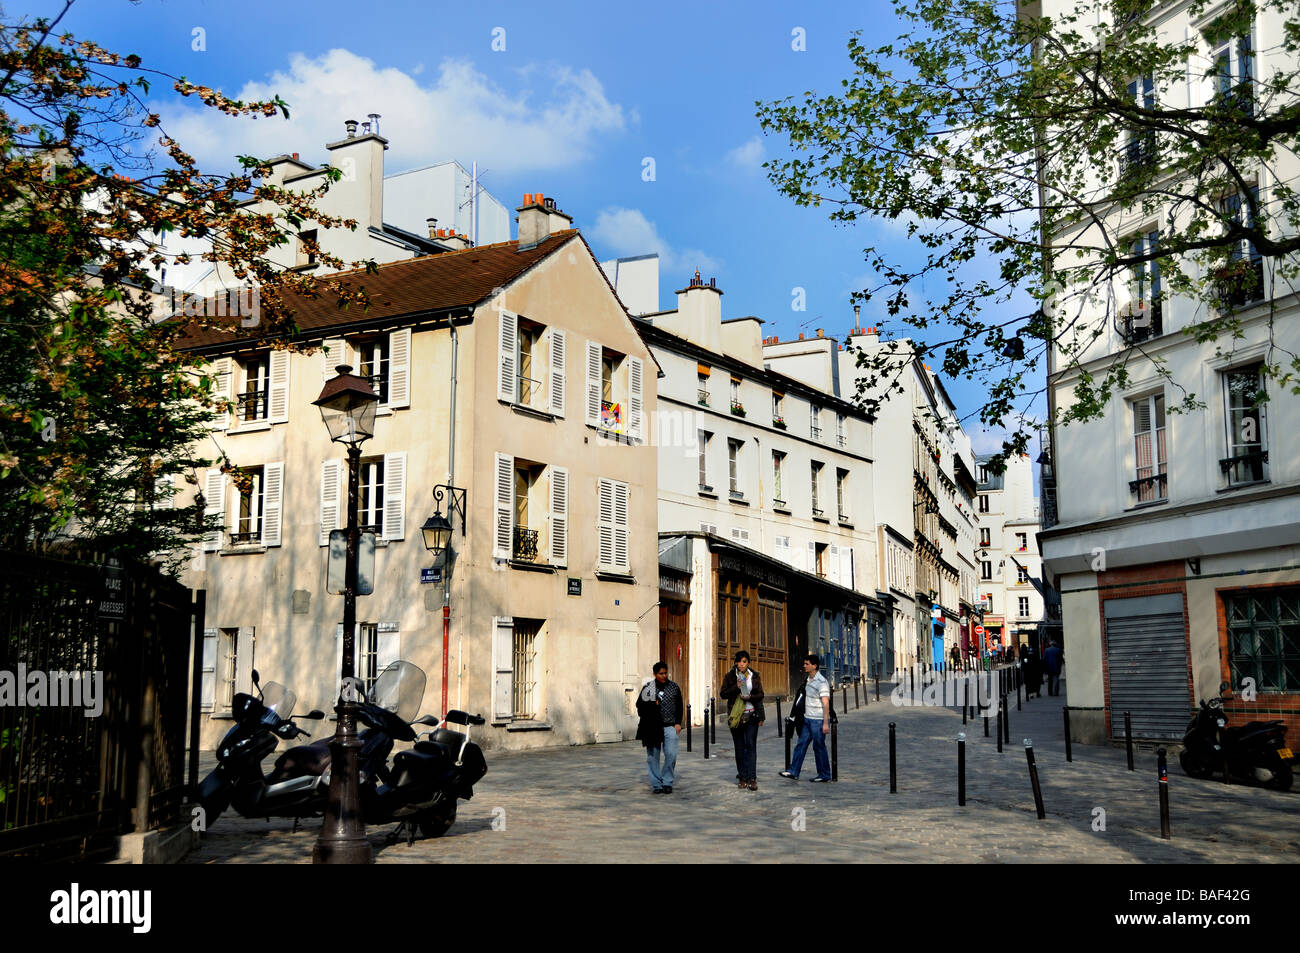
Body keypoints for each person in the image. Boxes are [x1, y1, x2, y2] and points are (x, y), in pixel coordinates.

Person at [780, 654, 832, 782]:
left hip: (818, 720)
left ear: (814, 666)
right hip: (807, 719)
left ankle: (824, 774)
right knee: (801, 744)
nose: (804, 666)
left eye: (807, 664)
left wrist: (826, 723)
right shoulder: (808, 680)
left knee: (819, 747)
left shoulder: (821, 682)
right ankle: (794, 771)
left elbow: (826, 703)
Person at [720, 650, 765, 791]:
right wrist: (736, 687)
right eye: (739, 661)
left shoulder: (754, 676)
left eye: (744, 661)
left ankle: (752, 778)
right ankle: (742, 777)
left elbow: (761, 695)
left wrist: (750, 698)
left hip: (751, 715)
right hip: (736, 717)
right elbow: (723, 694)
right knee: (739, 748)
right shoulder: (730, 676)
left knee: (751, 746)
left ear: (748, 663)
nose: (741, 664)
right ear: (736, 662)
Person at [636, 662, 682, 793]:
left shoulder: (674, 687)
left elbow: (679, 706)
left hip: (670, 725)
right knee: (652, 757)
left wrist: (678, 723)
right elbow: (640, 706)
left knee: (671, 754)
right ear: (655, 674)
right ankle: (656, 784)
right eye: (660, 673)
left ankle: (667, 781)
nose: (664, 676)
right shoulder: (648, 688)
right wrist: (653, 706)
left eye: (665, 673)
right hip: (653, 727)